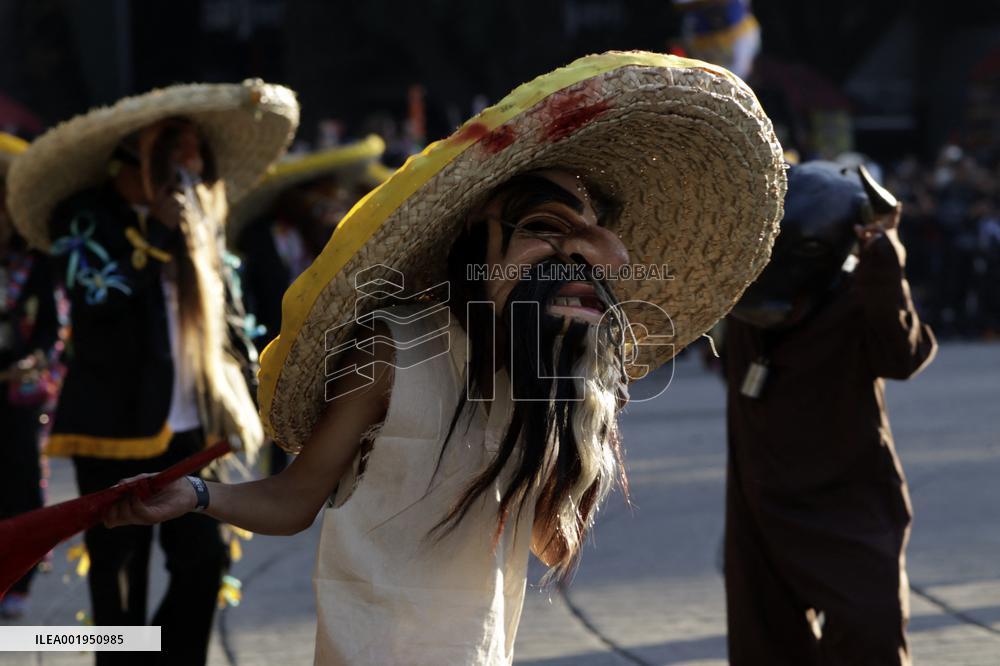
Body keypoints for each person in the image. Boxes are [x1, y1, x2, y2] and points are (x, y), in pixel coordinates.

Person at [104, 51, 787, 664]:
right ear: (476, 241)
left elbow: (552, 541)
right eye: (546, 230)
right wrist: (193, 495)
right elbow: (294, 498)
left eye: (590, 242)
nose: (576, 257)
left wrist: (575, 408)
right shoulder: (395, 352)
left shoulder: (541, 378)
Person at [6, 81, 298, 665]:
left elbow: (228, 309)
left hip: (189, 421)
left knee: (205, 559)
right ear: (138, 152)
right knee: (119, 574)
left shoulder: (198, 218)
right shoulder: (82, 216)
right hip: (111, 422)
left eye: (196, 151)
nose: (191, 162)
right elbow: (97, 300)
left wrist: (269, 384)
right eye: (178, 147)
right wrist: (162, 232)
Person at [723, 161, 937, 666]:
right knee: (767, 646)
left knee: (872, 631)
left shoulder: (856, 299)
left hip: (849, 498)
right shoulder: (743, 303)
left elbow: (903, 358)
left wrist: (885, 259)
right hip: (763, 502)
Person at [231, 136, 393, 473]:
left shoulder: (327, 233)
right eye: (315, 195)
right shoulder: (261, 233)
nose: (323, 203)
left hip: (326, 335)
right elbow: (260, 286)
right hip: (272, 331)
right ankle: (275, 472)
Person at [0, 132, 62, 619]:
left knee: (22, 478)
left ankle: (21, 574)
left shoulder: (37, 263)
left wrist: (36, 357)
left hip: (18, 389)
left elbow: (51, 327)